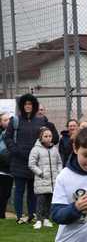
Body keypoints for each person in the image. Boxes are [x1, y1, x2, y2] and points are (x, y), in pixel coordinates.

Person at [4, 93, 59, 224]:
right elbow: (8, 137)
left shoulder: (40, 121)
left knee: (33, 191)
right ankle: (19, 216)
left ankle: (32, 215)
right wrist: (15, 150)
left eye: (30, 104)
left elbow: (50, 137)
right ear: (22, 106)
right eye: (25, 104)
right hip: (19, 161)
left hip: (36, 161)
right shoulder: (15, 120)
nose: (28, 106)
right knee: (19, 190)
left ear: (33, 106)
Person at [28, 127, 63, 229]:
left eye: (50, 136)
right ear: (41, 137)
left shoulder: (54, 149)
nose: (48, 138)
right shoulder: (36, 149)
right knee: (41, 201)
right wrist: (41, 173)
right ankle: (39, 220)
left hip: (53, 181)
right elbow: (31, 164)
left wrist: (59, 173)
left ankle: (47, 219)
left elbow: (59, 162)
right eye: (46, 136)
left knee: (49, 201)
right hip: (42, 180)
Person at [0, 112, 13, 218]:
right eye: (5, 120)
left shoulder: (14, 133)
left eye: (9, 119)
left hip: (12, 168)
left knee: (7, 193)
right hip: (2, 168)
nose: (8, 122)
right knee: (3, 193)